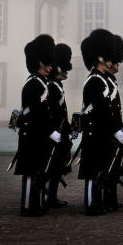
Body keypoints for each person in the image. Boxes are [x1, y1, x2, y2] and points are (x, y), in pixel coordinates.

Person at [77, 28, 123, 215]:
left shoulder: (105, 80)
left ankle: (106, 201)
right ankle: (93, 204)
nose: (111, 61)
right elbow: (100, 111)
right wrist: (115, 129)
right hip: (96, 133)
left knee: (106, 168)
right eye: (108, 57)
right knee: (94, 172)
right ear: (100, 58)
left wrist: (120, 128)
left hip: (105, 132)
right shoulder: (94, 81)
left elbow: (112, 111)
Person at [15, 33, 58, 217]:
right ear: (39, 62)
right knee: (32, 173)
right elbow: (36, 114)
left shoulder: (42, 83)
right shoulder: (34, 85)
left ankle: (37, 203)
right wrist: (49, 130)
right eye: (47, 62)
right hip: (33, 134)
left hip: (40, 134)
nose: (50, 66)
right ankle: (28, 206)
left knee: (40, 170)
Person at [44, 42, 73, 208]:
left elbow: (62, 113)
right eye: (63, 67)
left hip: (60, 132)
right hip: (52, 134)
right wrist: (52, 131)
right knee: (51, 167)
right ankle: (48, 196)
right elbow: (48, 113)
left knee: (56, 168)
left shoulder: (56, 86)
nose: (66, 70)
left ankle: (52, 196)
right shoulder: (51, 87)